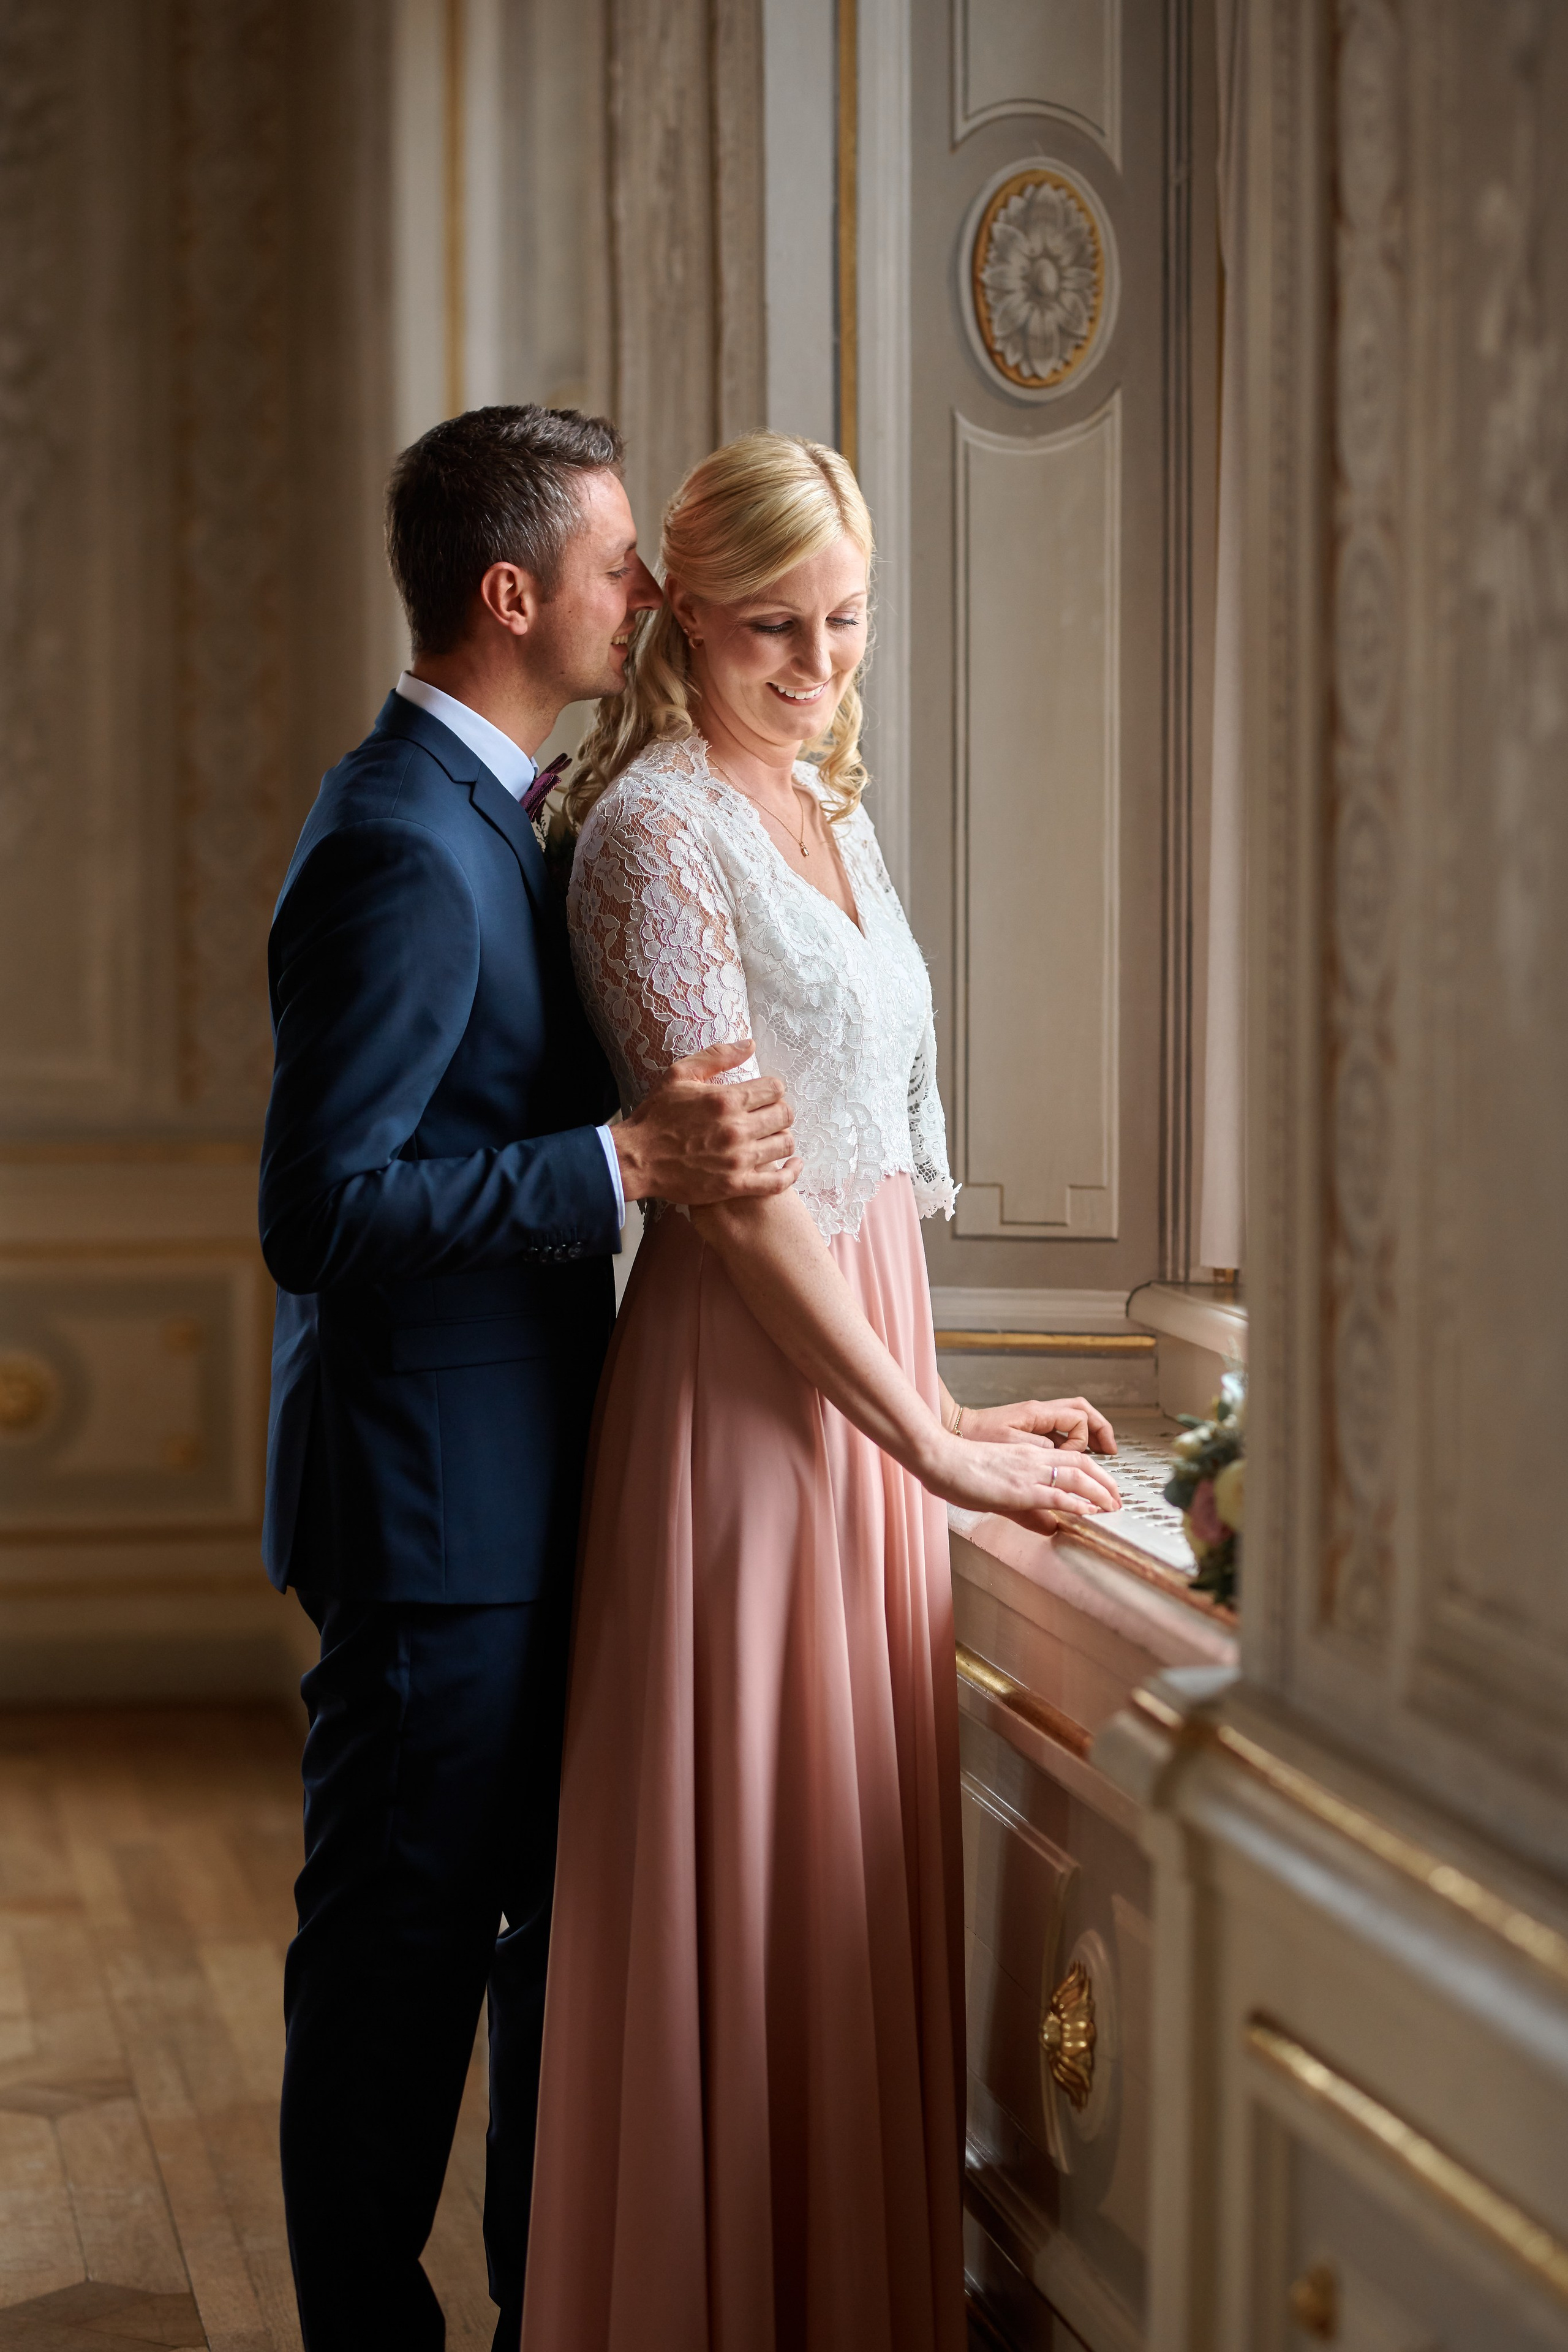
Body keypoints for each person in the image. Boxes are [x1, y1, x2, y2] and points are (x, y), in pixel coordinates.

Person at [519, 433, 1121, 2352]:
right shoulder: (653, 839)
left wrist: (964, 1402)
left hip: (869, 1368)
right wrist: (928, 1435)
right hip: (742, 1400)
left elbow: (864, 1157)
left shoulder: (831, 820)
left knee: (847, 1875)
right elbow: (750, 1204)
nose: (818, 662)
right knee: (754, 1889)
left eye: (847, 622)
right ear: (683, 616)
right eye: (775, 626)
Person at [258, 405, 804, 2352]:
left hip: (519, 1489)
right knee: (398, 1965)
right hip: (433, 1523)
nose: (644, 588)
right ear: (515, 596)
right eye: (615, 561)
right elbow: (318, 1211)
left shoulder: (499, 808)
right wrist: (623, 1167)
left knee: (525, 1943)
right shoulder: (408, 843)